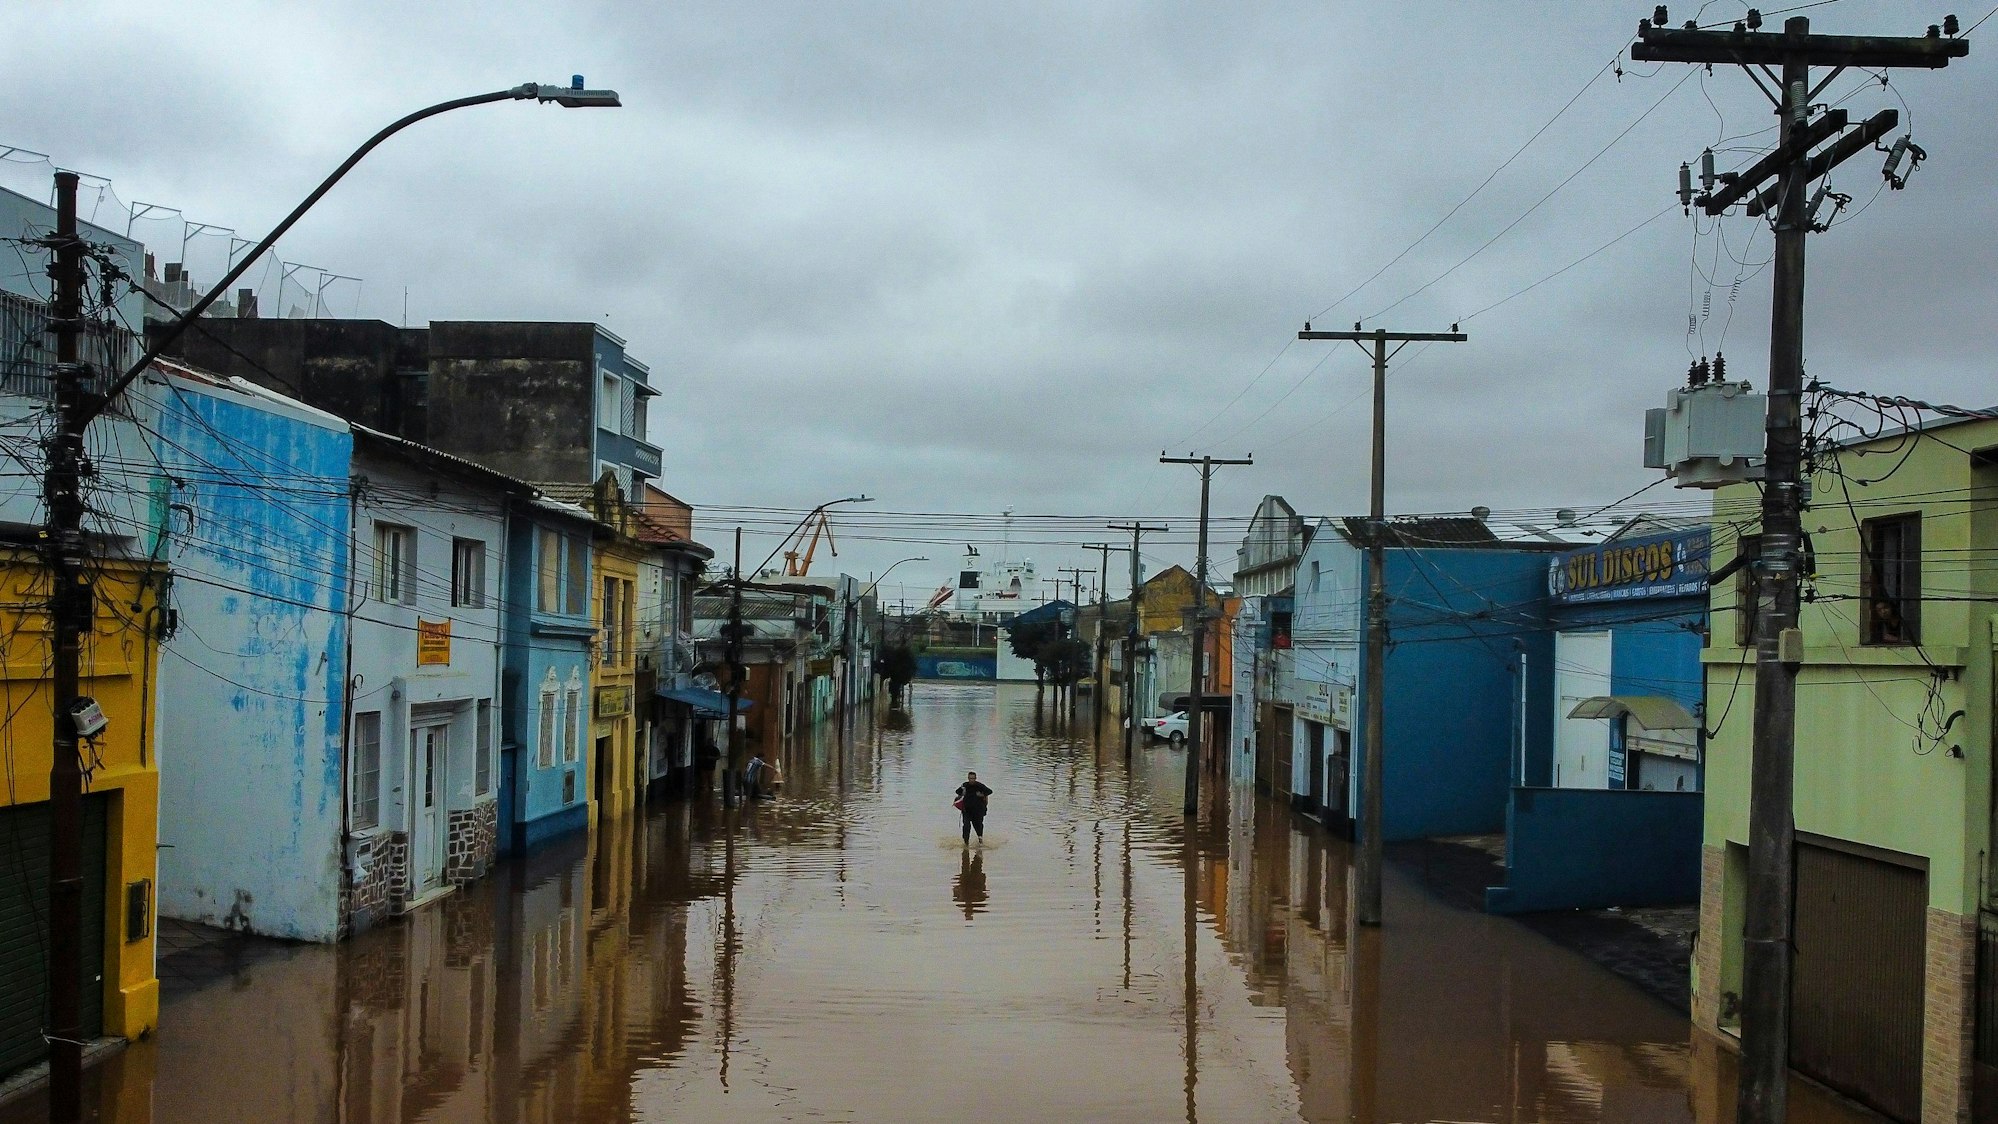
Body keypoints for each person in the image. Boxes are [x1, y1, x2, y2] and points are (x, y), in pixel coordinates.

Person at [955, 771, 993, 844]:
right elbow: (957, 791)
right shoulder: (965, 785)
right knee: (966, 825)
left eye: (973, 778)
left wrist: (981, 795)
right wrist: (963, 793)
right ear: (968, 778)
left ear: (975, 778)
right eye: (970, 778)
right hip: (966, 810)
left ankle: (980, 840)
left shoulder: (980, 786)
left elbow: (990, 791)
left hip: (978, 810)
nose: (971, 780)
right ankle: (966, 843)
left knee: (978, 825)